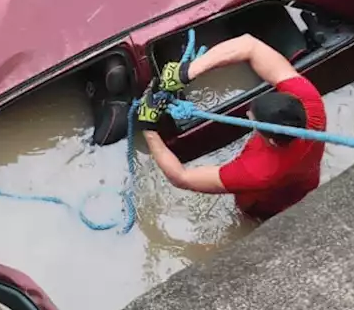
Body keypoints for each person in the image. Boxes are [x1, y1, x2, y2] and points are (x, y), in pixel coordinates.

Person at [135, 34, 327, 222]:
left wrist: (148, 127)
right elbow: (250, 45)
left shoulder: (257, 171)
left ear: (272, 140)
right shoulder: (310, 102)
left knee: (252, 217)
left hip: (267, 205)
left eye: (252, 119)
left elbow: (181, 177)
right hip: (307, 179)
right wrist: (188, 71)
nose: (247, 115)